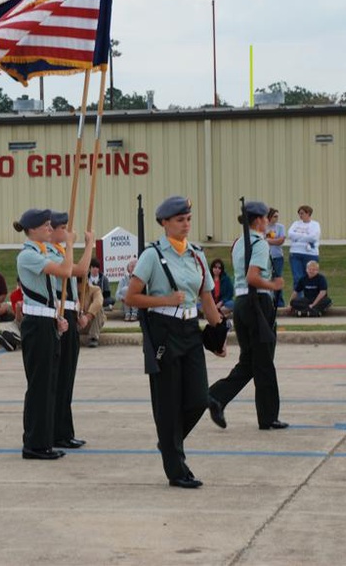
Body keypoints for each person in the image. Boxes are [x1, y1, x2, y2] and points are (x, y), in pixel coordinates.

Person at [123, 196, 227, 489]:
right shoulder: (152, 255)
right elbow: (130, 297)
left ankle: (169, 441)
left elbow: (207, 297)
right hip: (164, 329)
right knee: (168, 402)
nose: (186, 225)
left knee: (197, 398)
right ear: (164, 223)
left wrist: (218, 334)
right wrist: (165, 299)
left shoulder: (196, 254)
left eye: (188, 219)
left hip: (191, 329)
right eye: (180, 220)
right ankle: (176, 468)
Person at [210, 201, 288, 431]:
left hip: (242, 303)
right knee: (264, 363)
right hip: (258, 302)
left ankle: (215, 396)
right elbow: (253, 276)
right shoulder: (260, 244)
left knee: (249, 362)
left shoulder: (237, 243)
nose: (268, 222)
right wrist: (273, 285)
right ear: (257, 221)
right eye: (265, 218)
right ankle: (268, 416)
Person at [13, 208, 78, 460]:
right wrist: (70, 245)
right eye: (46, 225)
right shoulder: (28, 255)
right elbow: (65, 271)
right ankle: (34, 444)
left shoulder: (41, 252)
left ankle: (45, 439)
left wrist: (57, 318)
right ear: (33, 229)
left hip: (47, 321)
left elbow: (52, 293)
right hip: (36, 324)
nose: (51, 229)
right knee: (40, 385)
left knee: (50, 385)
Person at [48, 211, 94, 451]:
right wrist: (81, 245)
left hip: (70, 312)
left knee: (68, 378)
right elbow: (76, 271)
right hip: (59, 313)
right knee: (61, 377)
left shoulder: (60, 251)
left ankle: (65, 432)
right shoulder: (51, 252)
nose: (67, 231)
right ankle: (57, 432)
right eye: (63, 227)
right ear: (52, 231)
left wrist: (89, 245)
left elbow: (80, 275)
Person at [287, 205, 320, 290]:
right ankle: (298, 299)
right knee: (297, 277)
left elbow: (313, 237)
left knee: (310, 277)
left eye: (302, 213)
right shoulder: (295, 224)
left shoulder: (315, 225)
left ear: (308, 213)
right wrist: (305, 237)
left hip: (310, 253)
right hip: (295, 253)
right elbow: (290, 234)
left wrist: (298, 238)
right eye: (299, 214)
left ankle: (309, 298)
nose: (300, 215)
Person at [0, 278, 24, 352]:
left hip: (33, 318)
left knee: (20, 327)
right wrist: (18, 309)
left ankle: (17, 339)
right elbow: (17, 317)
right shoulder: (14, 295)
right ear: (18, 284)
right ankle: (12, 342)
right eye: (20, 284)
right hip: (21, 318)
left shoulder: (34, 293)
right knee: (7, 328)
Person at [76, 276, 106, 348]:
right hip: (76, 324)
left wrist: (88, 317)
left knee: (99, 309)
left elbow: (98, 302)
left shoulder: (95, 289)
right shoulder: (69, 292)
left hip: (91, 323)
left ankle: (93, 337)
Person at [266, 208, 287, 307]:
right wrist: (274, 240)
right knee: (267, 279)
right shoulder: (263, 227)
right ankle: (268, 301)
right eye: (275, 216)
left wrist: (268, 240)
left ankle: (279, 302)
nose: (276, 218)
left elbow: (281, 241)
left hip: (278, 256)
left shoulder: (280, 227)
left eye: (277, 216)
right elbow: (261, 239)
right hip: (266, 257)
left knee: (277, 278)